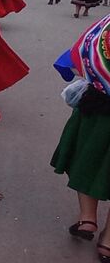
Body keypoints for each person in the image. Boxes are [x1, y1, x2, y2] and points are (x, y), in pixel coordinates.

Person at [51, 13, 110, 263]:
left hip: (99, 109)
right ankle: (108, 242)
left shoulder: (105, 26)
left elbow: (77, 60)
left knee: (87, 159)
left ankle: (88, 219)